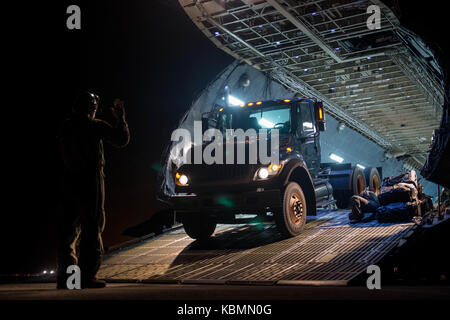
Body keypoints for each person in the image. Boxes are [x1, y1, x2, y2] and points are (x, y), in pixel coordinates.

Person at [57, 92, 130, 289]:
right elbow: (121, 139)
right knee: (92, 227)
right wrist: (121, 119)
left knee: (68, 232)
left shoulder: (65, 127)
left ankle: (68, 279)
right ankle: (86, 277)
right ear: (91, 108)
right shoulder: (94, 126)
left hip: (67, 181)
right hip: (90, 181)